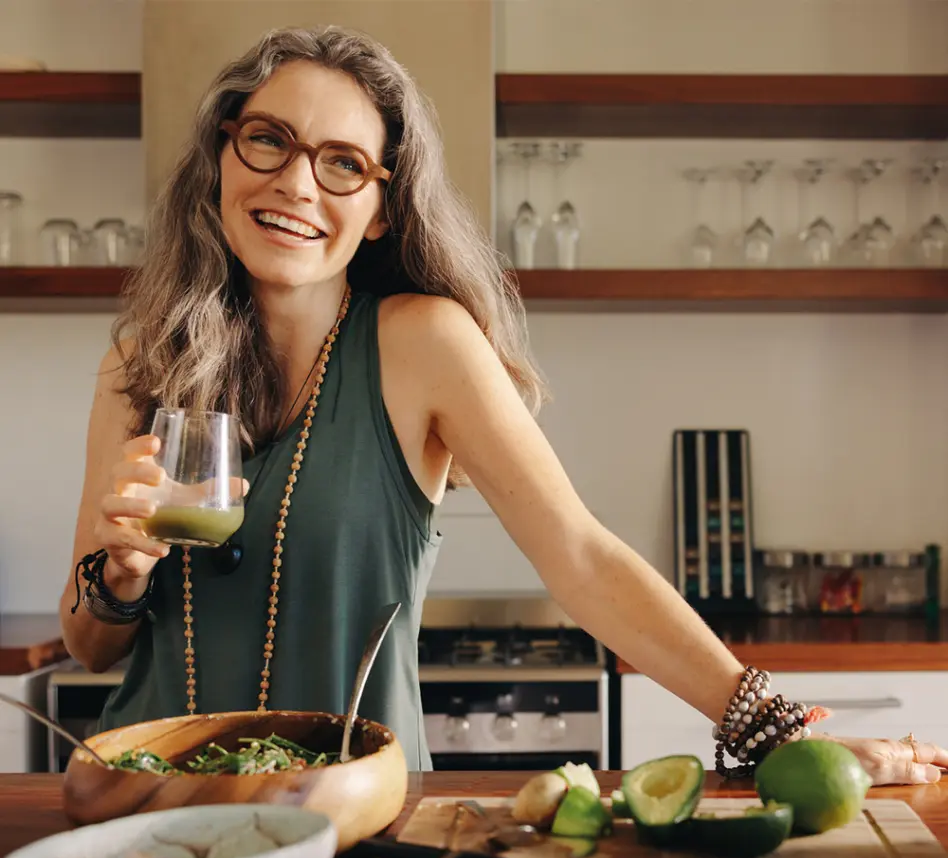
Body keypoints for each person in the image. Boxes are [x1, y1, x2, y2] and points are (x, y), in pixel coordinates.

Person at [59, 25, 947, 785]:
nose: (297, 185)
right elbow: (89, 644)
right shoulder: (139, 362)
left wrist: (775, 731)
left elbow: (581, 557)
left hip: (356, 810)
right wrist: (117, 574)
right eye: (269, 141)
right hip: (147, 801)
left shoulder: (423, 344)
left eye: (342, 164)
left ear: (380, 208)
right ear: (224, 154)